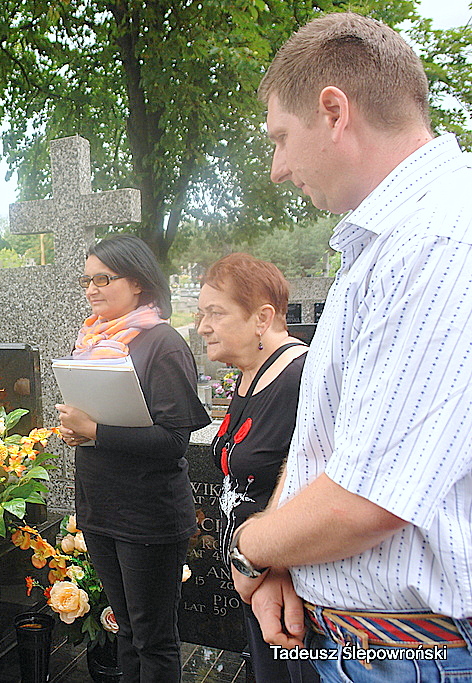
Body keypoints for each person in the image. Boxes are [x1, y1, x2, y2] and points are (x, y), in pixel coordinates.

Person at [229, 12, 472, 681]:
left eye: (281, 137)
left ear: (334, 111)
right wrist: (283, 556)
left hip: (418, 653)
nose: (278, 169)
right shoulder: (384, 242)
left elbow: (369, 500)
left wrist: (249, 546)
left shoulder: (438, 238)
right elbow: (327, 440)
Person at [57, 235, 210, 682]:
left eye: (104, 278)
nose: (92, 288)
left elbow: (173, 439)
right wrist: (79, 432)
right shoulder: (92, 340)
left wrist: (95, 431)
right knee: (124, 630)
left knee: (152, 639)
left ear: (139, 282)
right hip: (101, 510)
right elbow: (104, 426)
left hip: (147, 517)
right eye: (87, 280)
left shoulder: (162, 344)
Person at [196, 253, 316, 683]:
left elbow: (313, 478)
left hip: (293, 591)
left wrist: (268, 566)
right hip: (256, 581)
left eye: (215, 313)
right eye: (201, 314)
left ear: (262, 318)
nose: (202, 326)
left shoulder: (303, 376)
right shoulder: (251, 372)